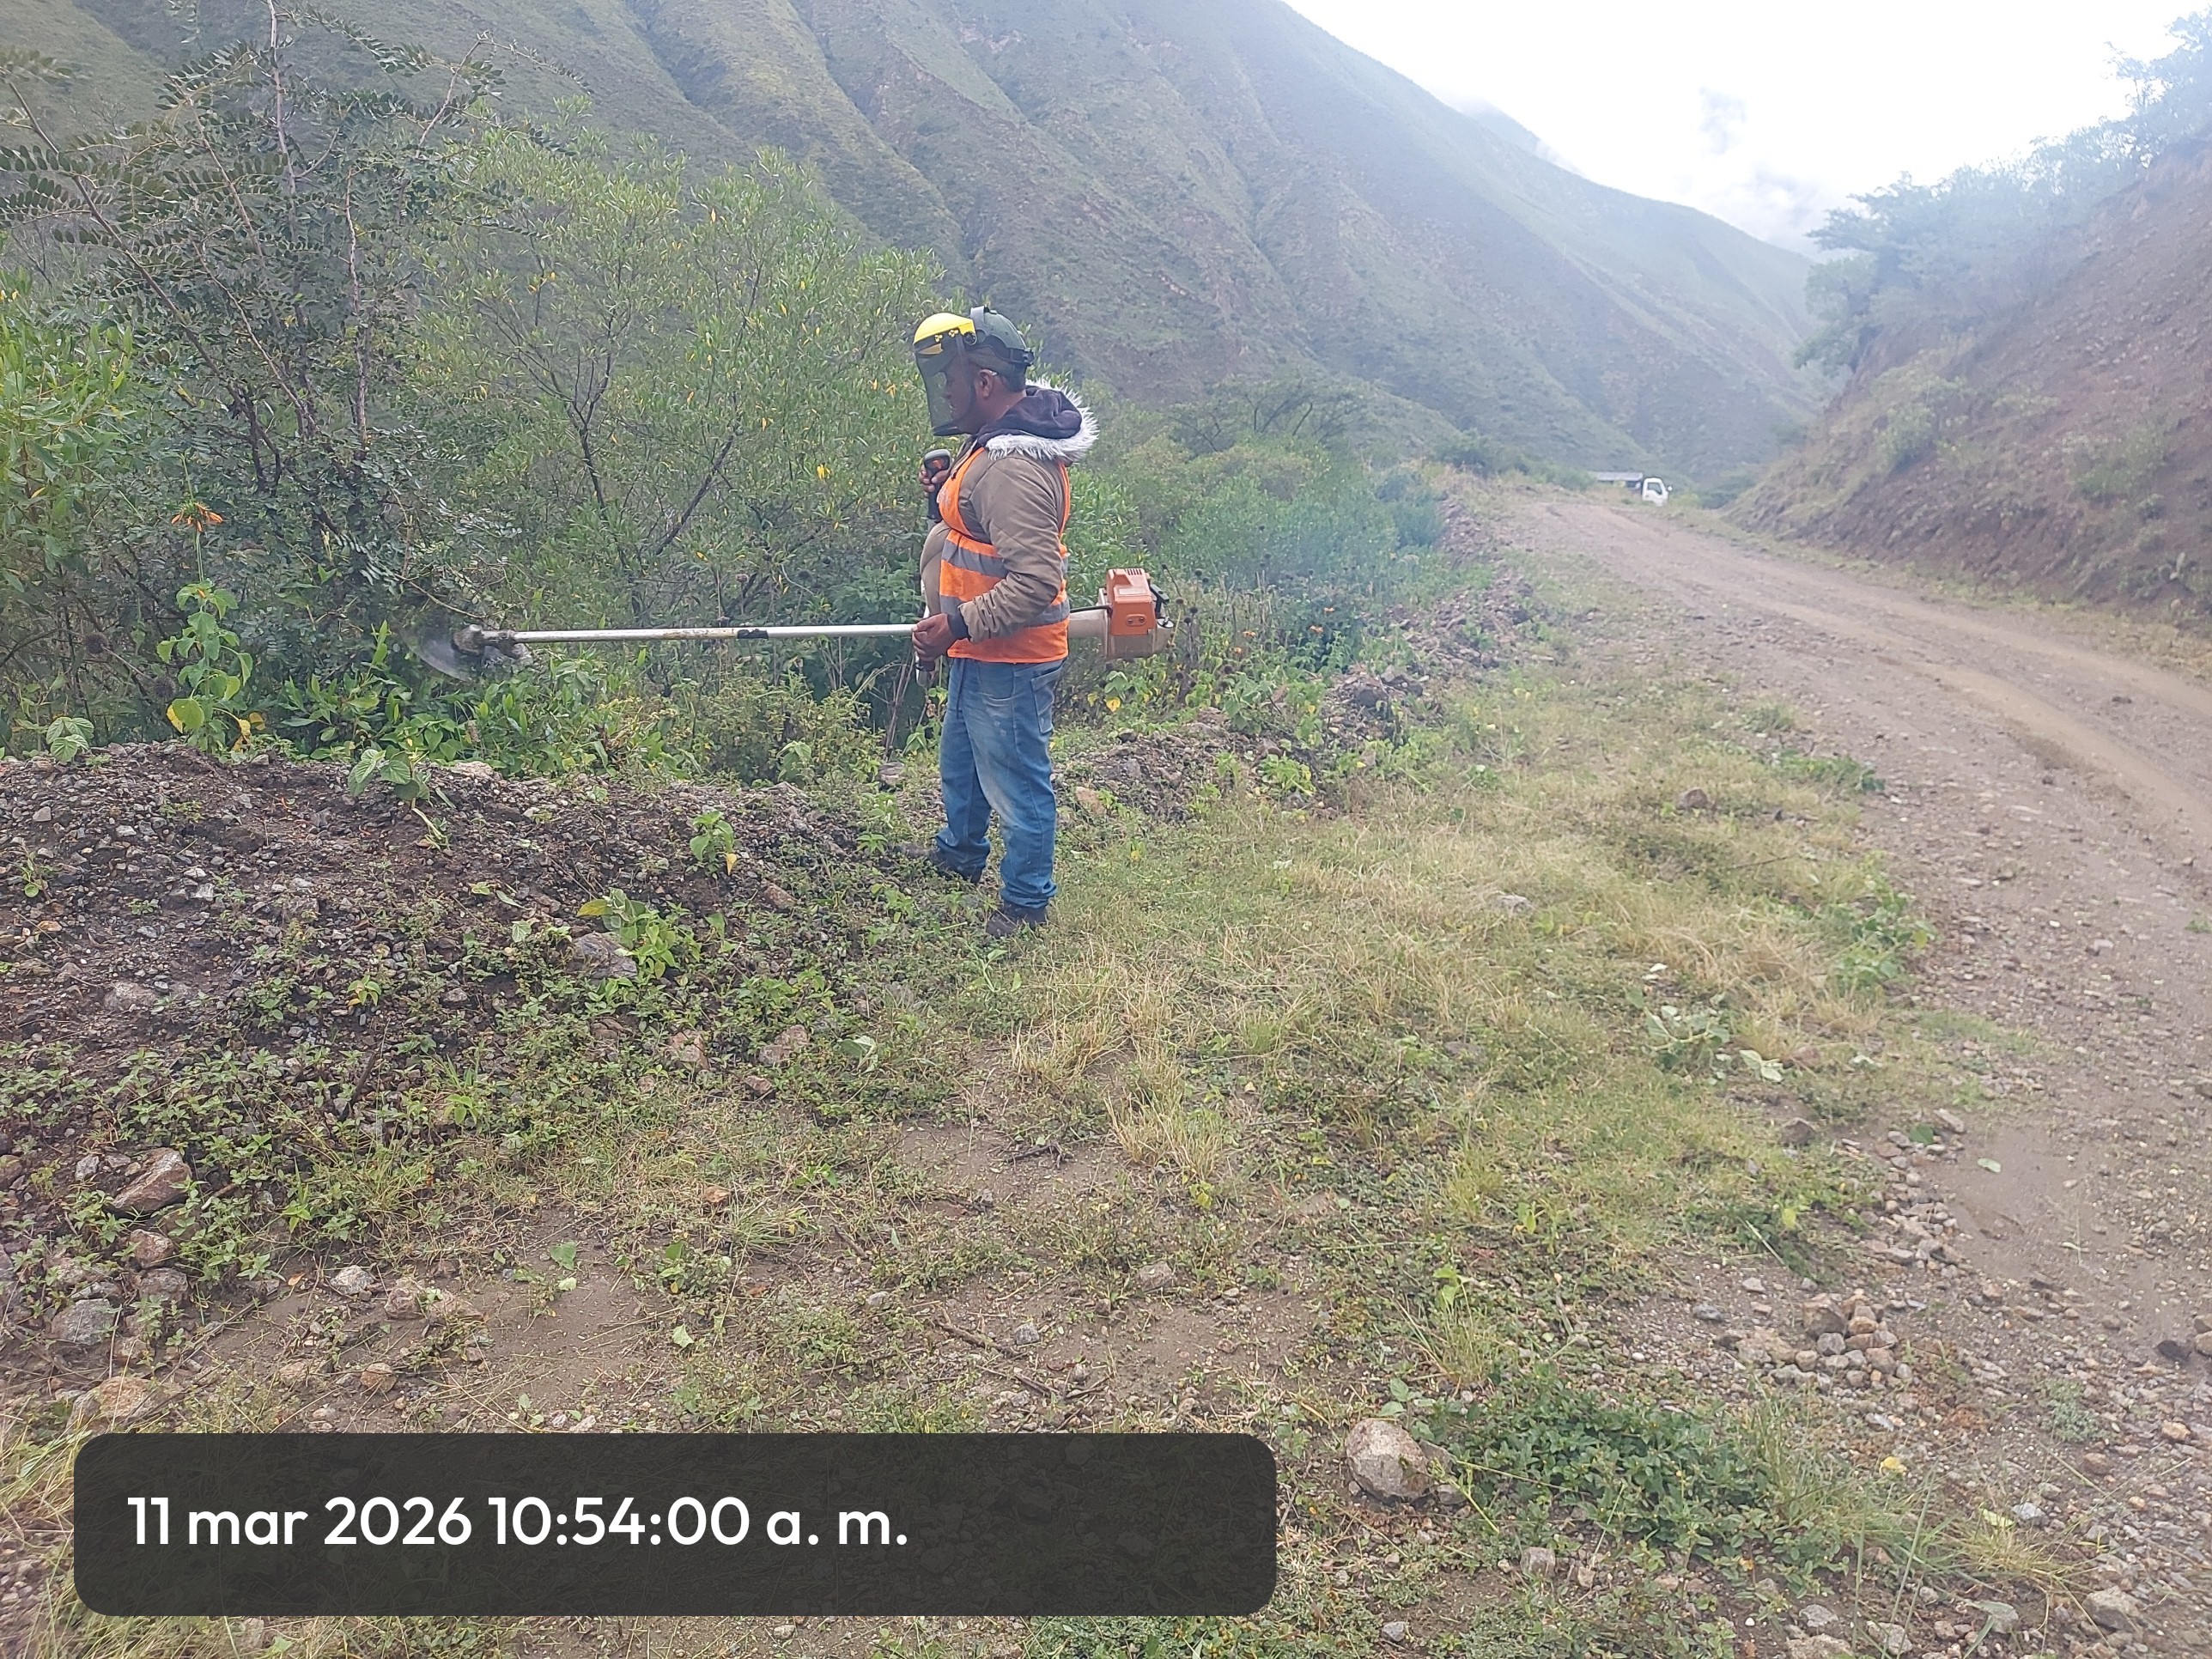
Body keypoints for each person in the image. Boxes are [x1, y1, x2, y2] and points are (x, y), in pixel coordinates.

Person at [908, 308, 1096, 938]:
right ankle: (959, 855)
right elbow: (979, 526)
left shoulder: (1014, 468)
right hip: (977, 646)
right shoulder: (992, 440)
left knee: (1015, 780)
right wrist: (949, 489)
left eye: (952, 380)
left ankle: (1025, 902)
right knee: (962, 766)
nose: (946, 393)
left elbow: (1035, 582)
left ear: (985, 383)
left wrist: (957, 625)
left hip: (1009, 656)